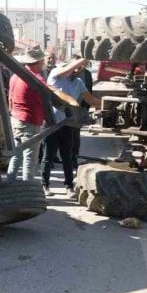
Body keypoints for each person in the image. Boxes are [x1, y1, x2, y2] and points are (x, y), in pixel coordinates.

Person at [43, 58, 99, 195]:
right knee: (48, 156)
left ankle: (68, 186)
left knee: (67, 155)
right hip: (53, 122)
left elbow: (90, 100)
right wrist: (86, 57)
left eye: (79, 69)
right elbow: (68, 69)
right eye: (75, 67)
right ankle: (45, 185)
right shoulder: (56, 74)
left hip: (68, 123)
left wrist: (110, 104)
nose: (75, 71)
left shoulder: (79, 82)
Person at [6, 47, 48, 183]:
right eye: (42, 61)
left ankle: (9, 185)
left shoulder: (15, 76)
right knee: (30, 160)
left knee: (16, 156)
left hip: (15, 120)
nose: (44, 64)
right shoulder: (36, 79)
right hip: (30, 121)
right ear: (38, 62)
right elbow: (49, 97)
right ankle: (27, 190)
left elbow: (10, 97)